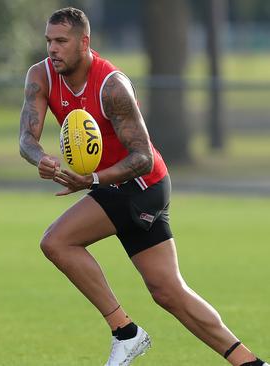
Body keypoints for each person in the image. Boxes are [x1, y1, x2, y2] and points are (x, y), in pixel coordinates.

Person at [18, 7, 267, 366]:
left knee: (57, 241)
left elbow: (143, 158)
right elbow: (26, 137)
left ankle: (126, 332)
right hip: (113, 186)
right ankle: (250, 363)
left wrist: (92, 180)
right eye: (48, 41)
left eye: (61, 41)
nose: (52, 49)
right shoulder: (40, 76)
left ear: (84, 42)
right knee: (169, 292)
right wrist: (38, 157)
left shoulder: (112, 85)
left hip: (141, 186)